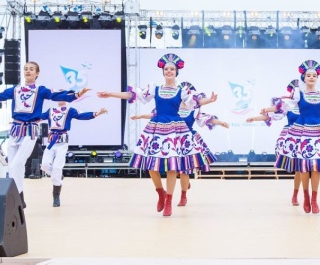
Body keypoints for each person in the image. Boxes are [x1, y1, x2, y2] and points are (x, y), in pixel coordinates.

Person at [98, 53, 216, 217]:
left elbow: (195, 102)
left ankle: (168, 201)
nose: (169, 71)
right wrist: (111, 94)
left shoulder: (181, 91)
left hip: (175, 130)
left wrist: (210, 100)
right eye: (166, 69)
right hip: (157, 128)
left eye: (172, 69)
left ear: (176, 72)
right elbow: (133, 95)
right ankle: (160, 192)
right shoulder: (155, 89)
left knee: (172, 166)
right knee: (150, 165)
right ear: (163, 71)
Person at [0, 61, 87, 207]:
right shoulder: (16, 89)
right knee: (12, 166)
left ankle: (23, 199)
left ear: (37, 73)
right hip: (15, 130)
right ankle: (20, 199)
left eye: (31, 69)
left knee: (17, 164)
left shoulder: (40, 90)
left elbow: (57, 95)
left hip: (30, 131)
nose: (28, 71)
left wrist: (76, 94)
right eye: (26, 69)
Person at [261, 60, 320, 214]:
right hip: (301, 132)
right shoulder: (299, 94)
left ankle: (314, 199)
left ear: (317, 78)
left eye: (314, 75)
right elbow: (285, 106)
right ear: (303, 78)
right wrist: (268, 109)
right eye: (308, 75)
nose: (311, 77)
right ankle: (305, 197)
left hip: (319, 133)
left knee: (316, 168)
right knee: (303, 167)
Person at [132, 81, 229, 207]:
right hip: (171, 139)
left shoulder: (194, 111)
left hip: (185, 141)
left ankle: (183, 196)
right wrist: (140, 116)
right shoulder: (173, 107)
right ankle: (167, 192)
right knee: (171, 166)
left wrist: (220, 122)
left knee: (184, 170)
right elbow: (155, 114)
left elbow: (207, 118)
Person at [39, 100, 107, 207]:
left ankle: (56, 196)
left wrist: (97, 113)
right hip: (51, 142)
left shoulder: (69, 110)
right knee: (44, 165)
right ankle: (58, 176)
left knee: (57, 167)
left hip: (62, 143)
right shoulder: (50, 110)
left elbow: (82, 115)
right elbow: (39, 117)